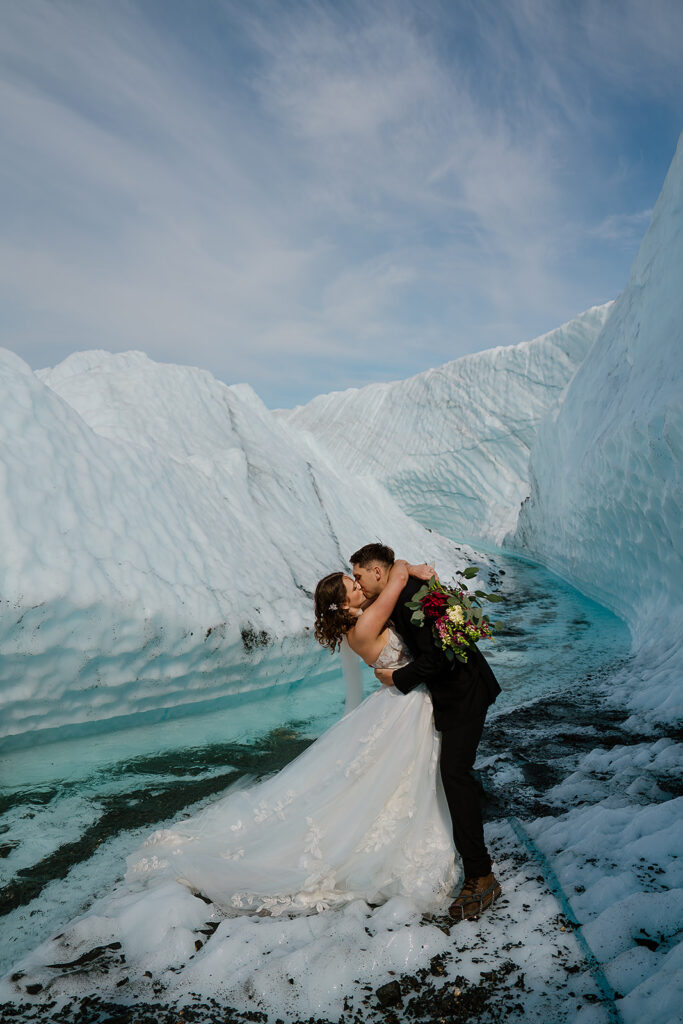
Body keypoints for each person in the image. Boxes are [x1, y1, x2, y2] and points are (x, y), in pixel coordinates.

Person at [121, 556, 458, 917]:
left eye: (356, 581)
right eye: (353, 586)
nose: (360, 586)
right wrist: (412, 568)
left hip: (402, 701)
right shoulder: (364, 627)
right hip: (403, 704)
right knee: (396, 780)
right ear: (344, 604)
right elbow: (397, 577)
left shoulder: (360, 620)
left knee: (393, 778)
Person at [350, 542, 502, 921]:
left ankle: (481, 875)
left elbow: (435, 659)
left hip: (464, 693)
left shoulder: (408, 599)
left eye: (359, 576)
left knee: (454, 773)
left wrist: (394, 678)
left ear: (378, 573)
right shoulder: (402, 590)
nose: (359, 584)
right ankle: (473, 825)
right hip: (457, 691)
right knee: (453, 770)